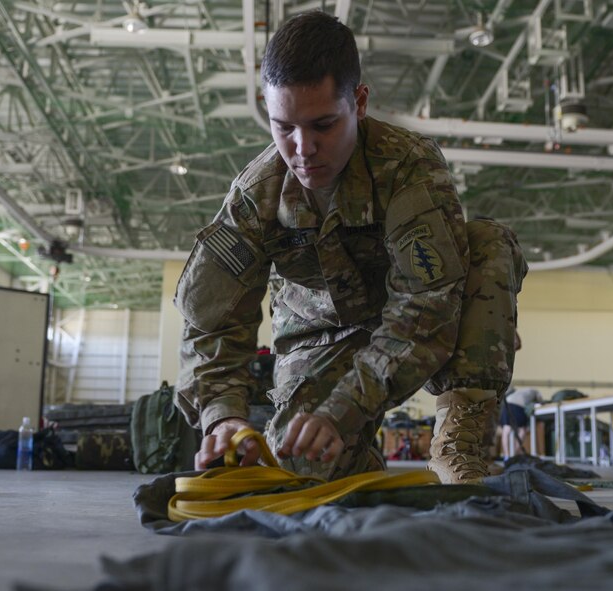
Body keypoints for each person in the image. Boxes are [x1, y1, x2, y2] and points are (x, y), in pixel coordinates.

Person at [173, 11, 526, 485]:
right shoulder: (255, 195)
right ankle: (359, 466)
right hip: (321, 334)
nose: (302, 148)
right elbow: (211, 320)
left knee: (486, 244)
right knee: (306, 469)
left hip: (415, 318)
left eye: (323, 125)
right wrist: (222, 416)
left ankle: (456, 441)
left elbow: (427, 306)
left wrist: (345, 409)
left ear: (358, 102)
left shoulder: (407, 167)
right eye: (284, 127)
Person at [499, 386, 543, 459]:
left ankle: (506, 456)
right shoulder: (536, 391)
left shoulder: (520, 391)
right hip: (518, 406)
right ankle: (514, 455)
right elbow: (540, 402)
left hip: (507, 404)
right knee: (522, 430)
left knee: (506, 430)